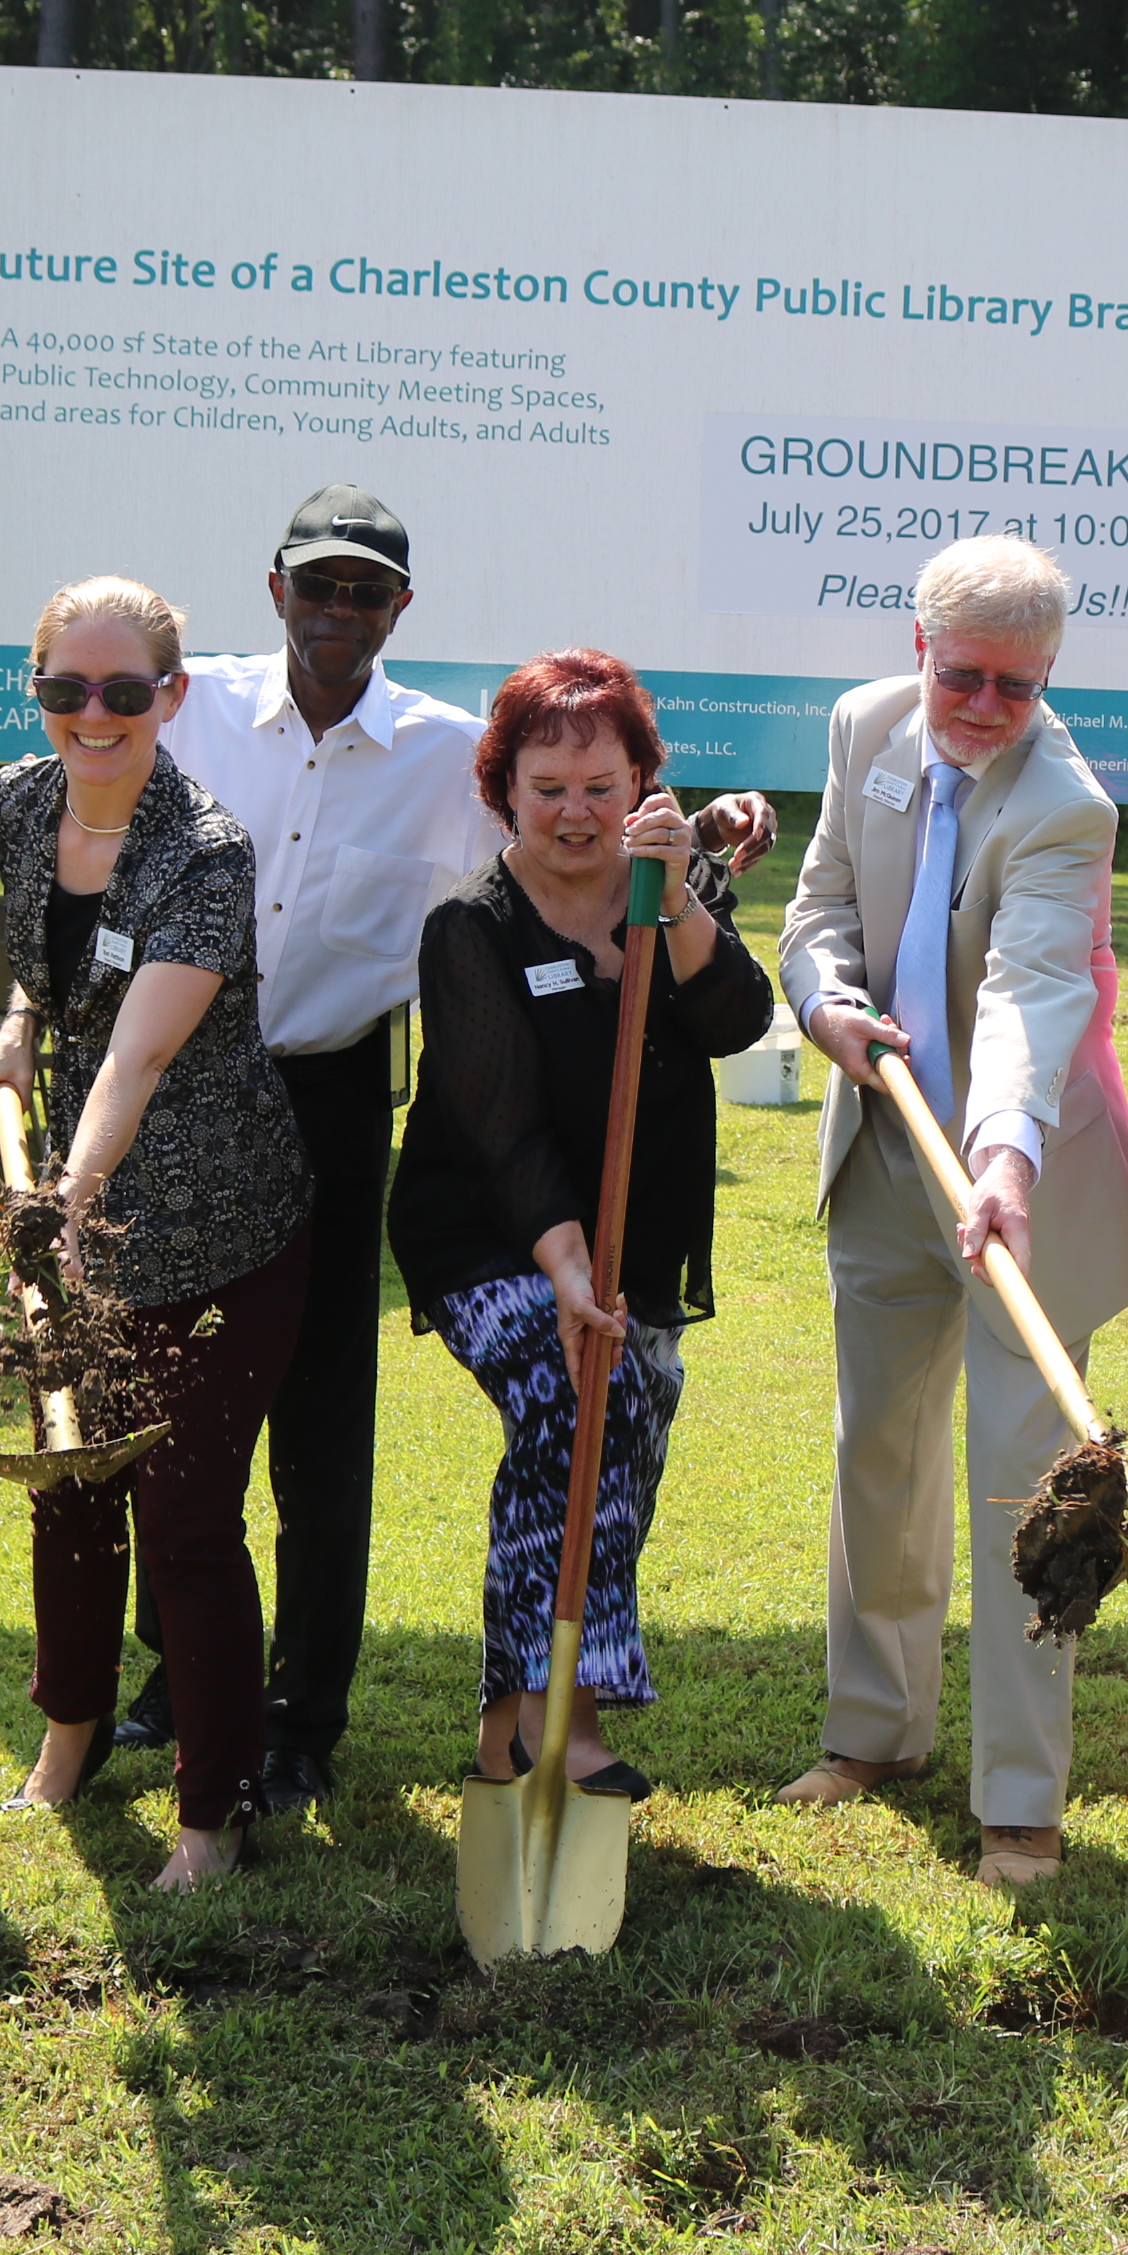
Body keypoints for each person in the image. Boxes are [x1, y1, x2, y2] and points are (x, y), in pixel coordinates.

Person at [115, 486, 774, 1812]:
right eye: (319, 583)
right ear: (277, 588)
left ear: (399, 608)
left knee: (336, 1419)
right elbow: (90, 765)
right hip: (199, 1099)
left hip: (338, 1099)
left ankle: (317, 1711)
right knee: (179, 1403)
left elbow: (610, 854)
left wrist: (696, 845)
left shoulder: (443, 750)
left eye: (366, 590)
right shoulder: (195, 713)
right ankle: (192, 1678)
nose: (339, 608)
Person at [777, 539, 1128, 1889]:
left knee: (1026, 1487)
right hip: (887, 1148)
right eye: (965, 676)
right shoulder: (863, 725)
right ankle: (874, 1732)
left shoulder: (1067, 807)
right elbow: (819, 906)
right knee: (877, 1450)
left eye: (1019, 684)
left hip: (1019, 1180)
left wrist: (1003, 1159)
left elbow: (1029, 993)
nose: (988, 706)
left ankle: (1019, 1802)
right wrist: (826, 1003)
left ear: (1049, 676)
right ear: (918, 644)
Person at [0, 577, 315, 1890]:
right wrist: (17, 1026)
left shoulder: (206, 853)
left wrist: (67, 1194)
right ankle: (68, 1737)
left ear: (171, 695)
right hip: (84, 1226)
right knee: (69, 1482)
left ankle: (212, 1811)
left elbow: (139, 1050)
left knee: (183, 1517)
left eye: (124, 690)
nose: (94, 714)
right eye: (66, 688)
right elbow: (55, 960)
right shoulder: (18, 805)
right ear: (38, 693)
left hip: (218, 1227)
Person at [392, 651, 775, 1799]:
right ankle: (559, 1718)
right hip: (493, 1235)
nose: (575, 813)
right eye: (548, 788)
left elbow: (736, 1020)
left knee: (619, 1451)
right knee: (576, 1403)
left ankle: (514, 1719)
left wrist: (682, 895)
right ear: (502, 790)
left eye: (601, 787)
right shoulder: (470, 928)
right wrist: (566, 1272)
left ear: (642, 785)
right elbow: (502, 1134)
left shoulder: (668, 884)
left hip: (639, 1233)